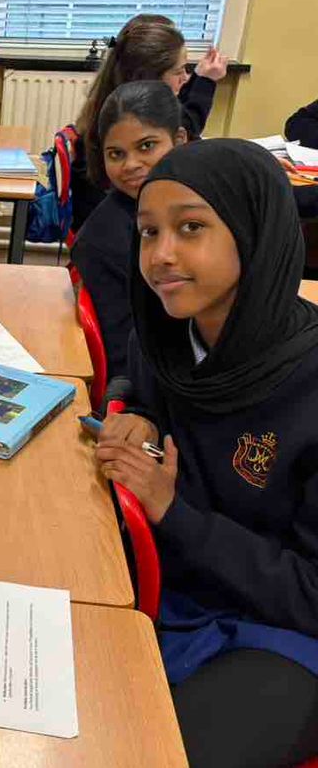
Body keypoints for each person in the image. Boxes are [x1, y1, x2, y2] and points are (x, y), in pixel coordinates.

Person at [95, 139, 318, 767]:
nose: (161, 255)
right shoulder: (171, 334)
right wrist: (131, 409)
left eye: (190, 228)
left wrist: (173, 513)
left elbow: (311, 594)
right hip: (177, 590)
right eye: (148, 232)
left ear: (254, 232)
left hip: (286, 636)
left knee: (149, 757)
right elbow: (137, 382)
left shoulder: (307, 382)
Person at [71, 80, 186, 382]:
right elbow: (124, 353)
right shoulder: (101, 241)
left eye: (146, 146)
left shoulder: (193, 204)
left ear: (179, 140)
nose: (131, 165)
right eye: (116, 154)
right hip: (165, 380)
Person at [70, 15, 227, 232]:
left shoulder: (111, 106)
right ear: (151, 78)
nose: (185, 78)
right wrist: (205, 82)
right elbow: (187, 123)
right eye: (178, 71)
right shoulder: (129, 121)